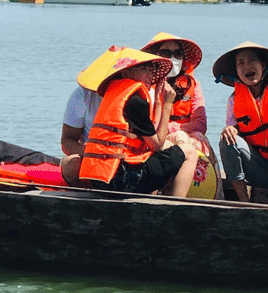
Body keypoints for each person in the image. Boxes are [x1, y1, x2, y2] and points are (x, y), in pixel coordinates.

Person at [78, 48, 200, 197]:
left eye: (151, 70)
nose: (150, 74)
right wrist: (168, 104)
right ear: (127, 72)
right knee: (189, 151)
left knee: (165, 149)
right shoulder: (135, 101)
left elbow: (152, 135)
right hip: (122, 179)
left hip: (101, 177)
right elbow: (157, 145)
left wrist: (160, 102)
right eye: (145, 69)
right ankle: (176, 205)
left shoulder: (117, 94)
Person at [140, 32, 223, 199]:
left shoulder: (193, 84)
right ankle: (163, 195)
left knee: (199, 140)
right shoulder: (147, 86)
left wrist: (179, 132)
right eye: (166, 53)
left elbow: (200, 123)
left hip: (189, 137)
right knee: (179, 140)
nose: (172, 58)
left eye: (177, 53)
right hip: (156, 139)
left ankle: (216, 196)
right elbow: (149, 125)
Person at [212, 41, 268, 203]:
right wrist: (231, 129)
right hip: (259, 171)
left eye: (252, 60)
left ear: (263, 65)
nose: (247, 66)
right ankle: (244, 202)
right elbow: (233, 127)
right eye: (241, 63)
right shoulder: (235, 100)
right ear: (236, 72)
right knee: (227, 140)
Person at [60, 45, 121, 186]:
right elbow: (67, 140)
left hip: (128, 157)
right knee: (71, 165)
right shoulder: (82, 95)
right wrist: (91, 152)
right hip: (92, 155)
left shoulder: (138, 95)